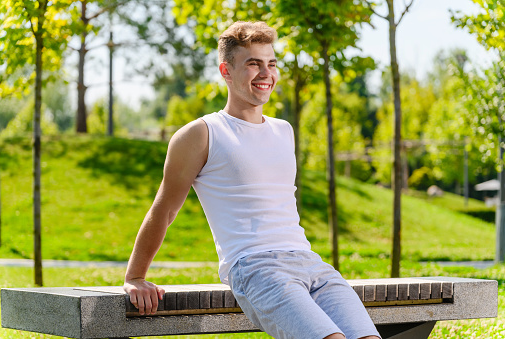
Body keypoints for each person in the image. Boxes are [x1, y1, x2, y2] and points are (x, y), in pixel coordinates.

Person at [123, 21, 381, 339]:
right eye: (253, 64)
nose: (266, 74)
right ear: (226, 70)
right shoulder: (201, 134)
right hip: (255, 267)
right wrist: (136, 276)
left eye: (271, 63)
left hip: (310, 262)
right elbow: (164, 210)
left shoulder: (284, 130)